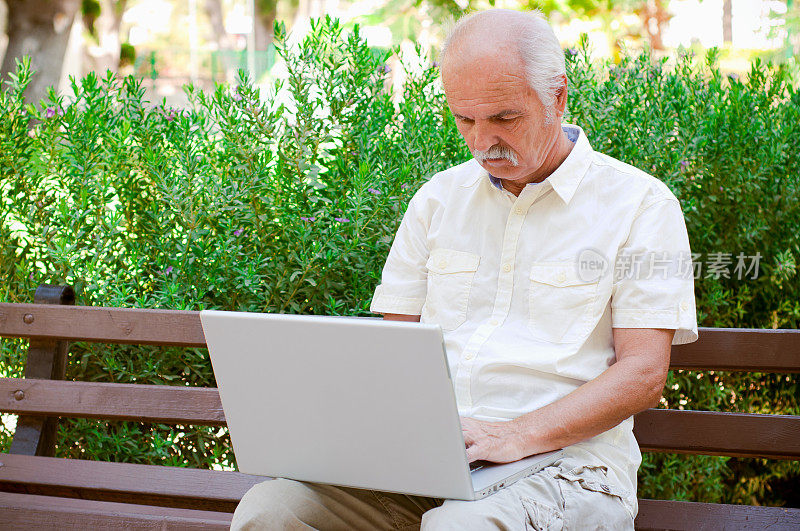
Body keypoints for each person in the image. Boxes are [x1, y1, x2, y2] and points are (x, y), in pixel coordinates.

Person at [232, 8, 698, 530]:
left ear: (557, 97)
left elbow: (643, 374)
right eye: (464, 119)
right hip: (427, 468)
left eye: (503, 119)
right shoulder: (436, 200)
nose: (482, 143)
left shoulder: (642, 205)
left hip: (566, 467)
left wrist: (516, 435)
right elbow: (394, 356)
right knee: (269, 513)